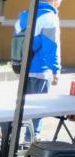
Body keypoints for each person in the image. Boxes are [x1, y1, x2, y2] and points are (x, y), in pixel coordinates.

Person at [15, 0, 62, 142]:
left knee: (22, 104)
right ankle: (31, 138)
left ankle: (9, 131)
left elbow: (17, 45)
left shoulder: (23, 16)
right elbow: (51, 47)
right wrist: (55, 70)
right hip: (41, 71)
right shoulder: (49, 18)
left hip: (23, 70)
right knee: (37, 107)